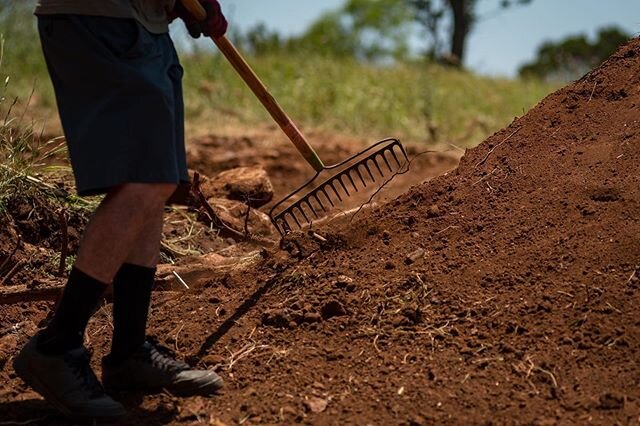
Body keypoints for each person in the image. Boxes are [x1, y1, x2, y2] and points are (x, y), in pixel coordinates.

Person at [13, 0, 228, 421]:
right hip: (99, 20)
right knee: (144, 180)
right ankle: (56, 346)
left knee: (157, 178)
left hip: (143, 28)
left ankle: (129, 351)